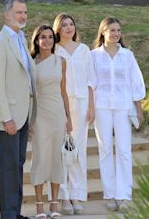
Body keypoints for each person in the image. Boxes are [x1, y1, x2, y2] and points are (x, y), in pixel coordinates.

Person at [0, 0, 36, 219]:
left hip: (23, 115)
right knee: (8, 168)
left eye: (25, 12)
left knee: (17, 166)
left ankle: (15, 213)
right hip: (9, 118)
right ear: (6, 15)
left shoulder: (21, 39)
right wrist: (6, 118)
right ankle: (8, 215)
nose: (23, 16)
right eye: (18, 13)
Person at [91, 17, 146, 211]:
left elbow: (136, 82)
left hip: (123, 106)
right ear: (103, 32)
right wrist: (90, 108)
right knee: (105, 149)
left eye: (118, 30)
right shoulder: (94, 56)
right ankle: (111, 195)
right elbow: (91, 84)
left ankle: (124, 195)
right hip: (101, 107)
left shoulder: (127, 55)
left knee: (123, 150)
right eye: (112, 30)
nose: (116, 34)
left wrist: (139, 108)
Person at [52, 13, 96, 215]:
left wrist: (91, 106)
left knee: (78, 150)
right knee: (63, 151)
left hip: (82, 103)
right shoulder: (54, 50)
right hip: (61, 103)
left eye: (71, 24)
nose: (69, 28)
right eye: (64, 25)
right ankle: (64, 195)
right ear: (58, 29)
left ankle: (77, 194)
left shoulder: (84, 50)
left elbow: (91, 81)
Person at [29, 25, 72, 219]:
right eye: (43, 37)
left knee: (56, 158)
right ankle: (39, 204)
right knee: (39, 158)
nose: (47, 41)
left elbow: (64, 92)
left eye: (50, 37)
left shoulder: (61, 62)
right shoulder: (30, 63)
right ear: (37, 41)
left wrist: (68, 118)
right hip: (38, 114)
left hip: (57, 114)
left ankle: (54, 203)